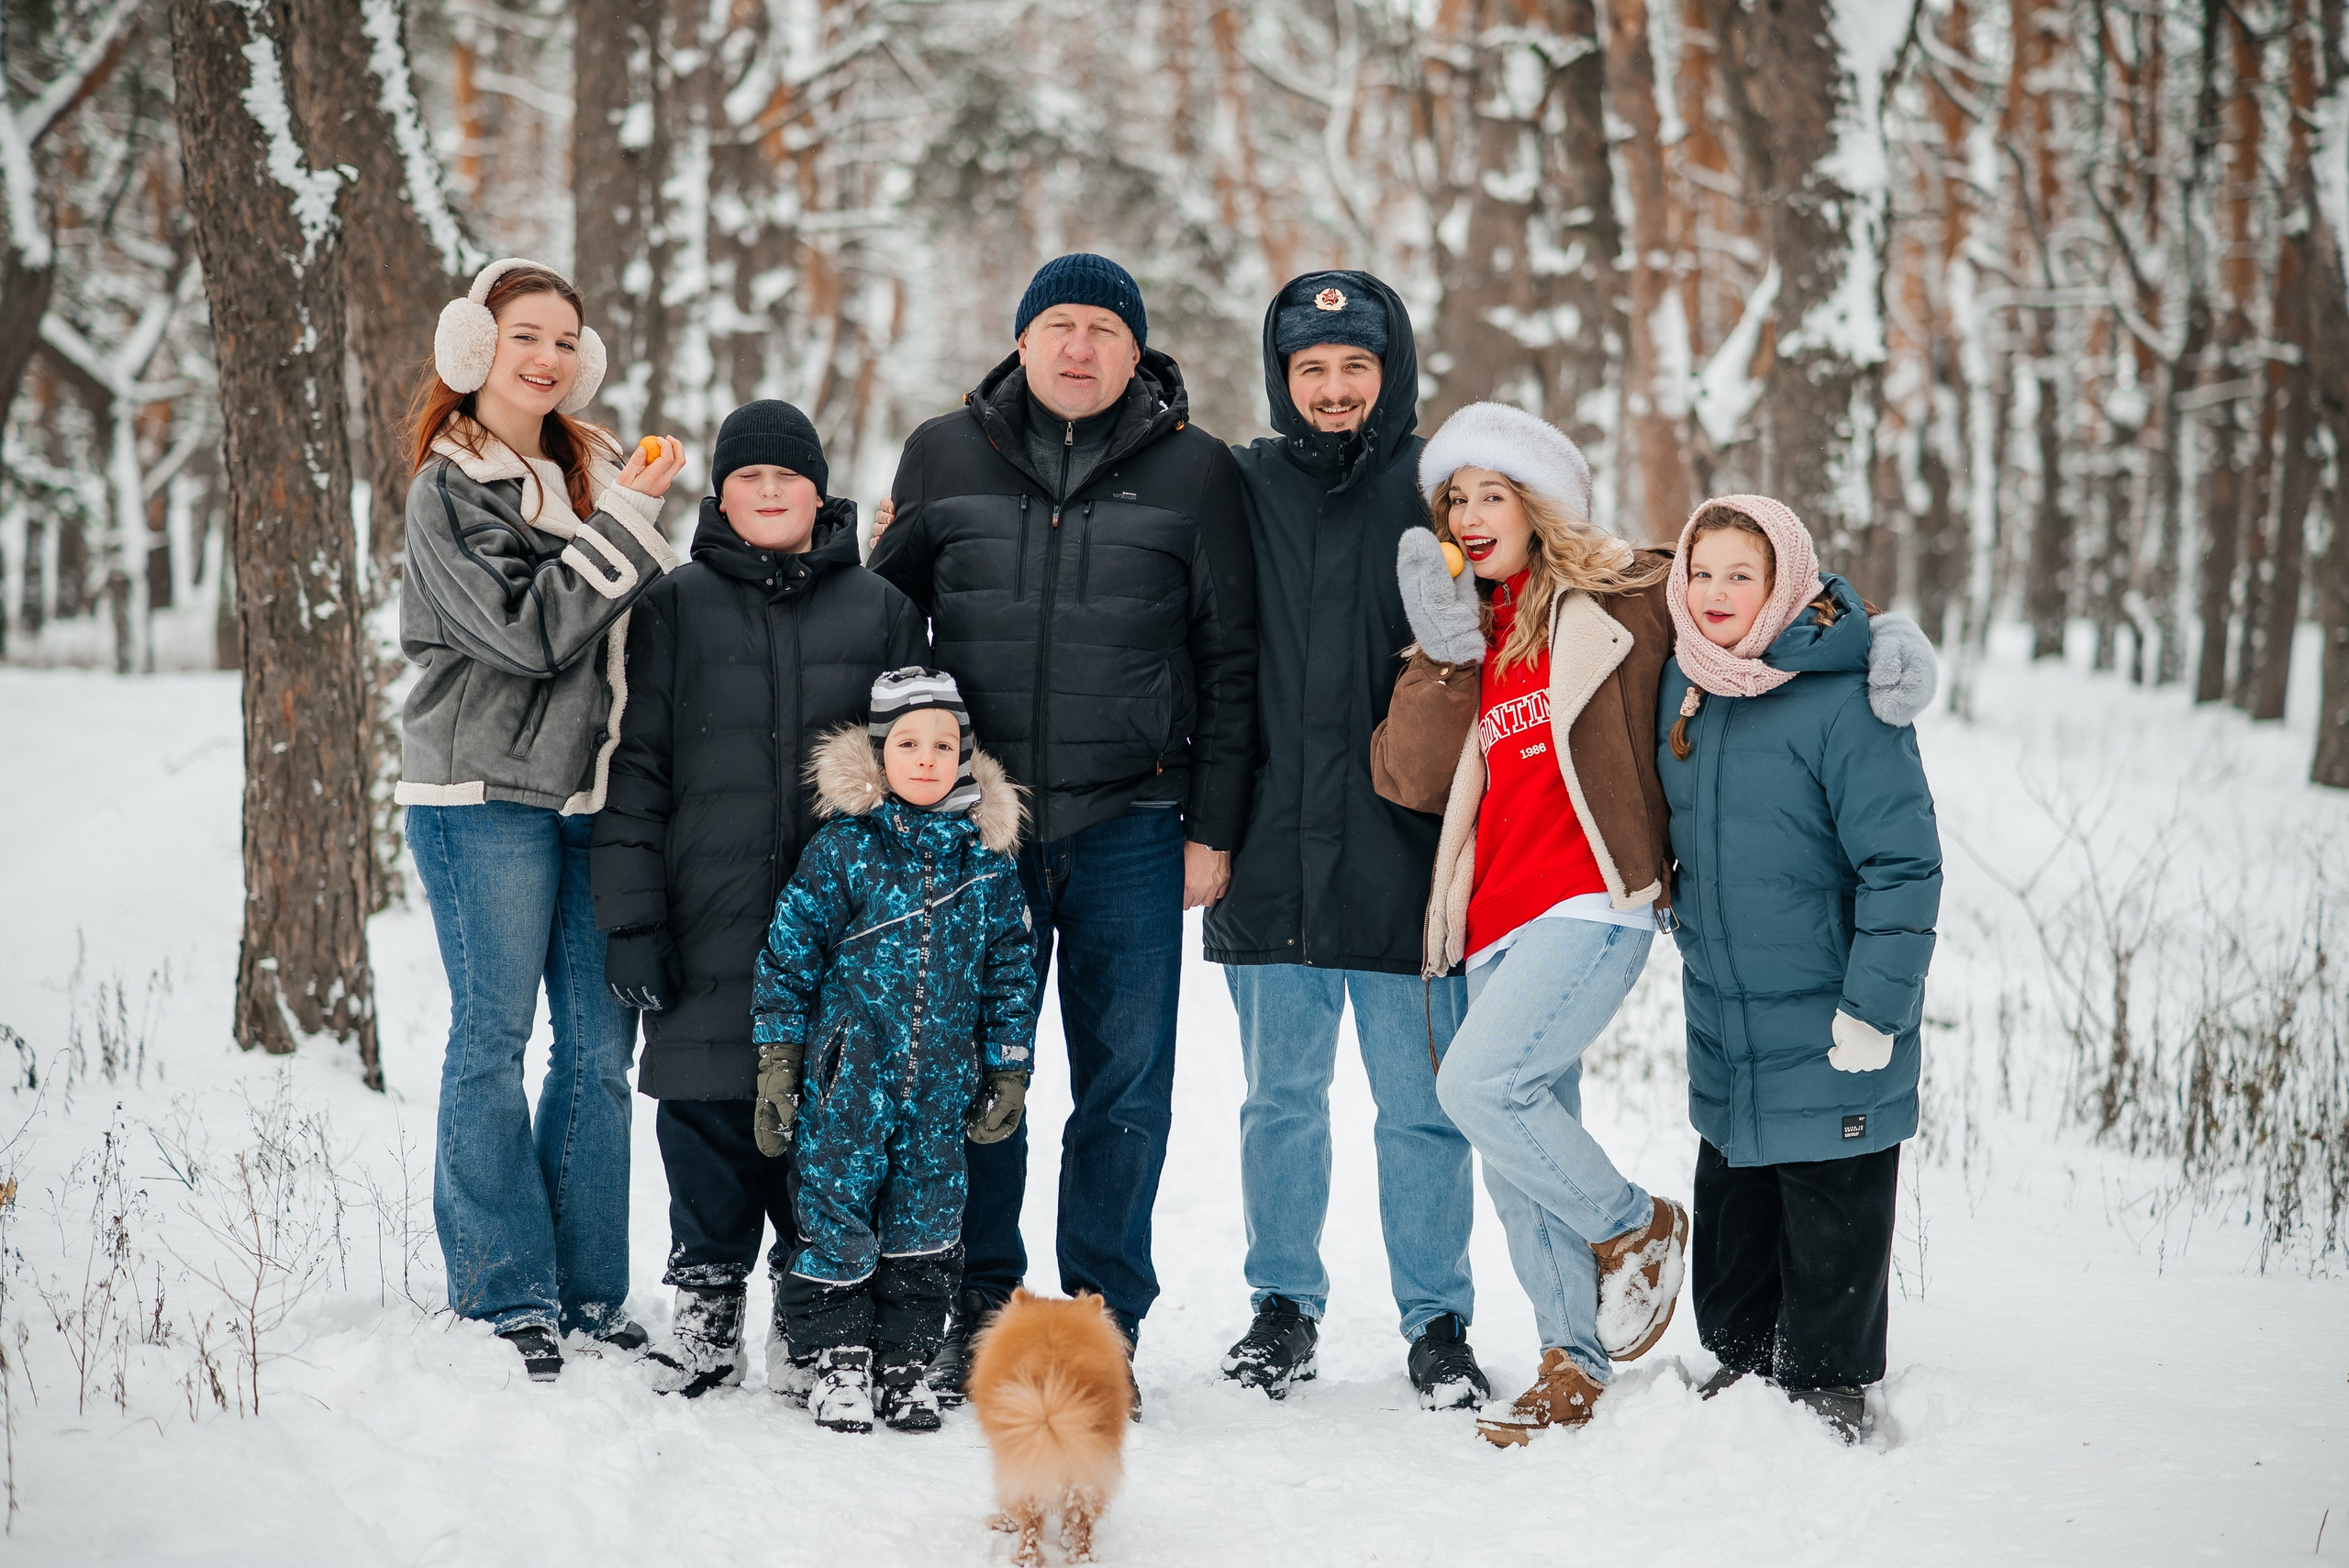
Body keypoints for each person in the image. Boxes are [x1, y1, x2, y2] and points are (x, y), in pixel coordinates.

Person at [867, 253, 1257, 1400]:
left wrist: (1212, 826)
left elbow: (1230, 661)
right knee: (977, 1072)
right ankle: (978, 1303)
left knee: (1124, 1085)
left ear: (1137, 351)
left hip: (1133, 821)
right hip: (979, 828)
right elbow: (883, 629)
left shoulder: (1196, 470)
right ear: (1022, 340)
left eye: (1102, 329)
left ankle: (1101, 1319)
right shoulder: (943, 452)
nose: (1078, 347)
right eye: (1058, 326)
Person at [589, 400, 926, 1399]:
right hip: (706, 911)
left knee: (823, 1123)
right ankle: (705, 1305)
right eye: (749, 477)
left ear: (821, 493)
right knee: (704, 1116)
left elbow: (917, 767)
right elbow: (637, 766)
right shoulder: (675, 604)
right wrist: (634, 920)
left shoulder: (880, 608)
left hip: (839, 928)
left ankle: (810, 1310)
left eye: (789, 476)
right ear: (721, 495)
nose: (770, 491)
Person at [1369, 403, 1690, 1447]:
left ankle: (1636, 1223)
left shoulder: (1626, 594)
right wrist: (1441, 656)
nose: (1468, 515)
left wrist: (1849, 630)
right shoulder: (1473, 631)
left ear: (1538, 504)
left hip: (1590, 899)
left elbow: (1749, 597)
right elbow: (1408, 777)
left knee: (1476, 1087)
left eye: (1491, 494)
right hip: (1493, 916)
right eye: (1454, 499)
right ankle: (1571, 1362)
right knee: (1515, 1156)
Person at [395, 257, 687, 1381]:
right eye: (525, 334)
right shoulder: (451, 488)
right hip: (484, 798)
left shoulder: (594, 471)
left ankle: (589, 1292)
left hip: (591, 800)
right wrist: (628, 520)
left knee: (601, 1051)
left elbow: (641, 628)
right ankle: (504, 1288)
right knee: (493, 1038)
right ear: (474, 346)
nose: (548, 357)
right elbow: (527, 635)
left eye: (566, 339)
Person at [1201, 272, 1487, 1407]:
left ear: (1390, 371)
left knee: (1420, 1106)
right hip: (1270, 849)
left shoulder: (1439, 490)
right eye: (1309, 367)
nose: (1331, 386)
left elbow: (1542, 584)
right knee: (1280, 1101)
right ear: (1282, 376)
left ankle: (1438, 1319)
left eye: (1354, 366)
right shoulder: (1241, 483)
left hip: (1404, 858)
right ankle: (1282, 1306)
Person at [1658, 496, 1941, 1443]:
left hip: (1831, 1003)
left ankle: (1829, 1378)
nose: (1716, 592)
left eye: (1741, 574)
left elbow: (1902, 864)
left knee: (1832, 1193)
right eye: (1701, 572)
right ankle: (1742, 1357)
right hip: (1726, 1003)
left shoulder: (1844, 698)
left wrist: (1876, 1006)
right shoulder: (1685, 679)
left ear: (1785, 581)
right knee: (1735, 1189)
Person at [749, 668, 1038, 1435]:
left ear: (965, 756)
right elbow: (788, 955)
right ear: (880, 753)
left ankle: (906, 1362)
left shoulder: (986, 862)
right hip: (849, 1080)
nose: (926, 758)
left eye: (944, 745)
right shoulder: (845, 849)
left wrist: (1009, 1065)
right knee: (836, 1212)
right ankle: (838, 1357)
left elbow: (1012, 970)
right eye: (908, 743)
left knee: (927, 1222)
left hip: (942, 1088)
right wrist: (779, 1060)